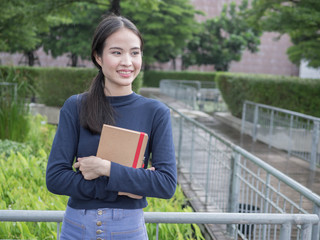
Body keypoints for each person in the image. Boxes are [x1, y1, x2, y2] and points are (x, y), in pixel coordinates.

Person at [46, 14, 177, 239]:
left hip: (128, 231)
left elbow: (165, 184)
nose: (127, 61)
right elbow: (56, 177)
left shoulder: (156, 112)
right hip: (76, 229)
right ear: (98, 56)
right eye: (117, 52)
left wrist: (106, 168)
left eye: (135, 53)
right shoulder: (76, 106)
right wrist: (127, 186)